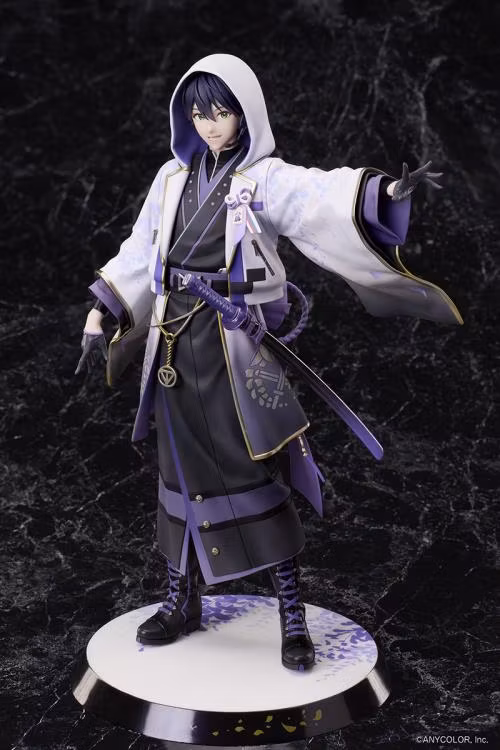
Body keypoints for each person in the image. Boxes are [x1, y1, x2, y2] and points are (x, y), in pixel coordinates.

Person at [76, 53, 462, 671]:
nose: (209, 126)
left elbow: (319, 196)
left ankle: (291, 614)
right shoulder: (171, 181)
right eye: (198, 114)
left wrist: (382, 192)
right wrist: (102, 310)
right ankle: (180, 599)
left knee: (256, 469)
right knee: (177, 473)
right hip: (173, 342)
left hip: (232, 346)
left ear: (245, 114)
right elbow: (140, 250)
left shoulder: (263, 180)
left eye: (221, 113)